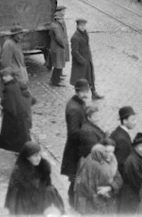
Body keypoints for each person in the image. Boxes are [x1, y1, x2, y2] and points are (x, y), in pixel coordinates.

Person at [0, 68, 31, 159]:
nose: (3, 78)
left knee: (2, 136)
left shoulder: (9, 88)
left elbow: (9, 105)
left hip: (12, 119)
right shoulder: (15, 84)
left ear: (10, 76)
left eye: (5, 76)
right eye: (3, 76)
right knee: (4, 137)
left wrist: (1, 105)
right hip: (18, 118)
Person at [4, 141, 65, 215]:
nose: (39, 158)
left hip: (40, 200)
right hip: (25, 202)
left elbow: (48, 185)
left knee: (51, 190)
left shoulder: (44, 167)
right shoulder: (18, 172)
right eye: (35, 156)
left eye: (40, 155)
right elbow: (12, 195)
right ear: (27, 157)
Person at [61, 79, 91, 207]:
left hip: (77, 148)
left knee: (75, 176)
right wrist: (88, 132)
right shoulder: (73, 108)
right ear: (77, 91)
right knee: (75, 176)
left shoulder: (78, 103)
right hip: (75, 149)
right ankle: (72, 200)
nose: (85, 94)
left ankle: (73, 197)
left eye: (87, 91)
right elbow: (73, 132)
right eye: (82, 92)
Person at [74, 140, 123, 215]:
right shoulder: (90, 163)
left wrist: (109, 188)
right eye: (107, 151)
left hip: (106, 204)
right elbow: (83, 185)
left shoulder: (112, 161)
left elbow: (119, 180)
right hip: (92, 205)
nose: (110, 154)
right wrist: (100, 194)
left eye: (112, 151)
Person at [70, 18, 104, 100]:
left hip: (87, 60)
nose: (83, 27)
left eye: (84, 25)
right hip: (80, 63)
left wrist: (88, 58)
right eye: (81, 25)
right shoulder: (75, 37)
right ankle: (79, 96)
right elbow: (74, 52)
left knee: (90, 77)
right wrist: (82, 61)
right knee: (80, 80)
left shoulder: (85, 34)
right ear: (77, 26)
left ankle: (94, 93)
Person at [118, 132, 142, 214]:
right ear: (135, 147)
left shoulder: (139, 158)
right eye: (141, 146)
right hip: (132, 198)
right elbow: (139, 182)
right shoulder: (133, 161)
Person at [48, 5, 70, 86]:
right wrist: (63, 45)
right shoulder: (55, 26)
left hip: (59, 47)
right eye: (63, 11)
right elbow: (59, 38)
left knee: (60, 63)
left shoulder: (58, 23)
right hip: (58, 48)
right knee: (58, 65)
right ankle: (55, 81)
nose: (64, 13)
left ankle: (58, 77)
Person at [109, 106, 136, 170]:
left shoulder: (117, 132)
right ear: (125, 121)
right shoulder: (122, 140)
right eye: (133, 120)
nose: (135, 122)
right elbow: (121, 164)